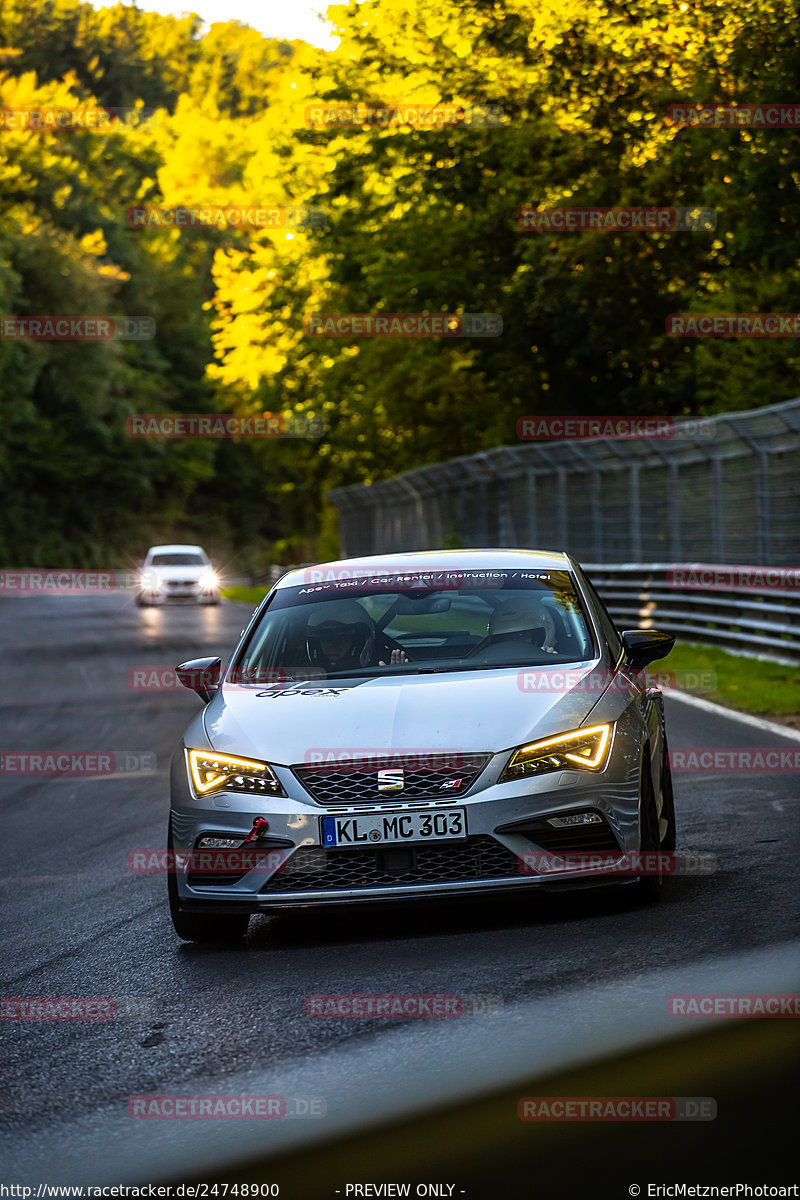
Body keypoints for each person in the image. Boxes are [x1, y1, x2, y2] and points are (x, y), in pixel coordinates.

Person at [305, 601, 408, 672]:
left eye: (340, 638)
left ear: (357, 641)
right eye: (325, 638)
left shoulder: (381, 667)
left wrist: (394, 679)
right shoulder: (299, 676)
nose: (331, 644)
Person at [487, 598, 559, 655]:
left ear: (537, 638)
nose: (515, 640)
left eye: (521, 635)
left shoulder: (561, 667)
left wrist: (547, 659)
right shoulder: (486, 662)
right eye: (508, 636)